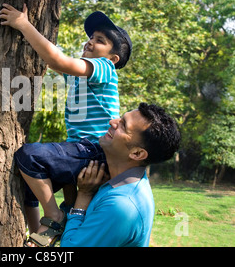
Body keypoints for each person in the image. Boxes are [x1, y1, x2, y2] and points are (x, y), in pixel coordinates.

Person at [0, 3, 132, 246]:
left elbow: (56, 59)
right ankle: (40, 235)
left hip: (93, 151)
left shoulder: (105, 69)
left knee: (29, 155)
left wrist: (23, 24)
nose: (90, 41)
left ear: (112, 58)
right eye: (91, 37)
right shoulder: (82, 71)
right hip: (80, 150)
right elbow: (51, 55)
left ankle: (53, 216)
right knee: (30, 184)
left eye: (100, 40)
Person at [59, 103, 181, 247]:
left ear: (137, 153)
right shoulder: (121, 181)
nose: (112, 122)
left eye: (123, 126)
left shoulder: (121, 206)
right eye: (121, 118)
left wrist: (84, 196)